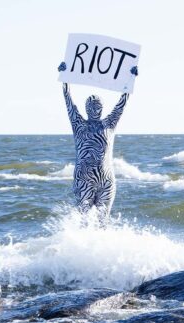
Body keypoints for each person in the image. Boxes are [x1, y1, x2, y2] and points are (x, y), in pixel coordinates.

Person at [58, 62, 138, 223]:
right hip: (84, 179)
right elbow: (69, 103)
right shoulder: (78, 124)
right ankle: (80, 247)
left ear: (102, 108)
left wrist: (131, 79)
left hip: (106, 180)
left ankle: (102, 247)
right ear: (86, 108)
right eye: (91, 106)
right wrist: (64, 80)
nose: (95, 109)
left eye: (98, 106)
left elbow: (121, 105)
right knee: (84, 220)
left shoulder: (109, 124)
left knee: (103, 221)